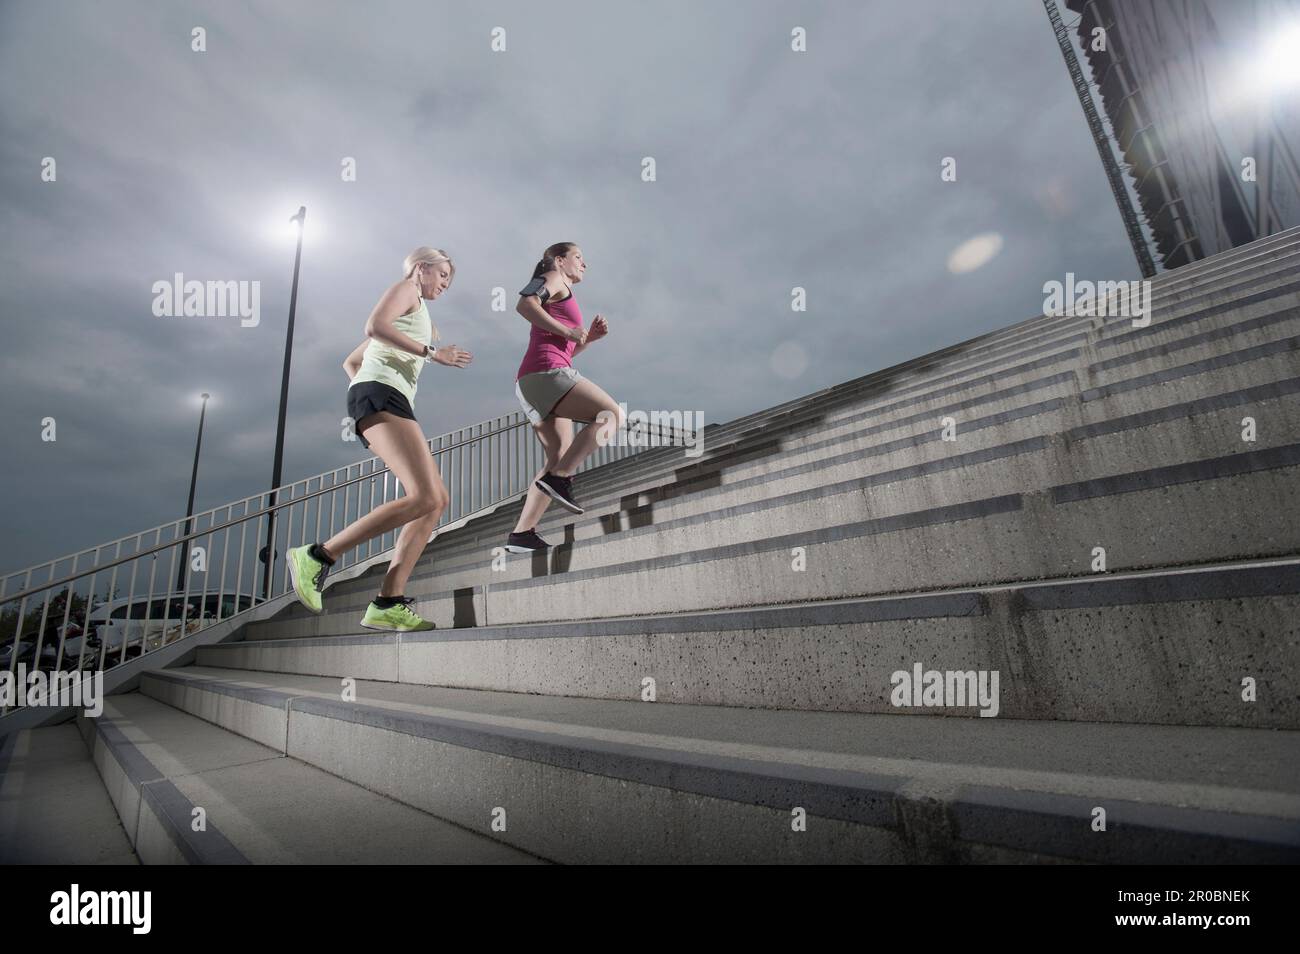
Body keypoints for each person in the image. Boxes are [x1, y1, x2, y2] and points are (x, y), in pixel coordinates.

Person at [285, 247, 472, 631]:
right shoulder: (406, 290)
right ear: (421, 268)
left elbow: (352, 361)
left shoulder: (418, 315)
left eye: (449, 280)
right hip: (381, 395)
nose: (445, 284)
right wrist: (431, 354)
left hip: (382, 395)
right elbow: (374, 326)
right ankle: (318, 556)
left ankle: (388, 601)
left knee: (435, 503)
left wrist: (368, 386)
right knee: (426, 497)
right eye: (441, 275)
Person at [505, 242, 623, 553]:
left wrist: (588, 339)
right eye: (579, 257)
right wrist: (568, 330)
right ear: (559, 260)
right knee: (611, 415)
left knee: (558, 454)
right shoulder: (553, 277)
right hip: (545, 373)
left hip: (535, 378)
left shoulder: (562, 290)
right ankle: (560, 479)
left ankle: (522, 534)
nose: (585, 263)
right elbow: (525, 304)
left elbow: (565, 351)